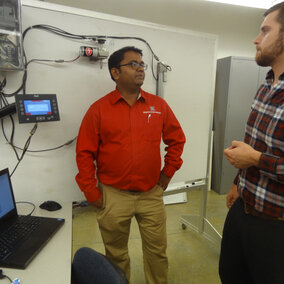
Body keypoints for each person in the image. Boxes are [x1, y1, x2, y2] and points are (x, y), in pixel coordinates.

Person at [75, 46, 186, 283]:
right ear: (116, 73)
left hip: (150, 194)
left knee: (157, 253)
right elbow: (84, 153)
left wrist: (167, 174)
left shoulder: (158, 106)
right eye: (133, 64)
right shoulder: (98, 110)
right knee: (116, 255)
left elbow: (177, 140)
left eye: (142, 64)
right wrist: (90, 190)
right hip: (113, 196)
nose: (140, 69)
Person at [219, 2, 284, 284]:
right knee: (231, 275)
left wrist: (256, 160)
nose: (256, 39)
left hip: (275, 227)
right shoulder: (266, 84)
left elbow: (255, 154)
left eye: (265, 31)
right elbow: (253, 142)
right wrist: (237, 181)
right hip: (243, 208)